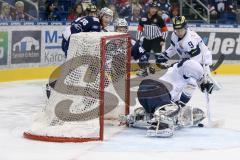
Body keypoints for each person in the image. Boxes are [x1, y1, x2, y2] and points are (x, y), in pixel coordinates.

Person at [128, 16, 216, 137]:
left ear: (186, 27)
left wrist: (203, 78)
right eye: (176, 29)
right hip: (159, 90)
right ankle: (165, 115)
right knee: (183, 90)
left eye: (181, 29)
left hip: (144, 92)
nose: (178, 32)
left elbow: (194, 64)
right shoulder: (176, 37)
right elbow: (177, 51)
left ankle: (149, 113)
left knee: (188, 82)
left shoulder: (191, 41)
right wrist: (166, 55)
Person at [46, 7, 113, 99]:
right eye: (106, 17)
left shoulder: (95, 22)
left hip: (71, 40)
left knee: (76, 69)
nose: (108, 20)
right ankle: (53, 86)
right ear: (101, 15)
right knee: (75, 69)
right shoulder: (96, 23)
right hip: (71, 41)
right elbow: (91, 43)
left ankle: (59, 87)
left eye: (110, 18)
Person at [136, 2, 168, 77]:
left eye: (155, 8)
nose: (154, 10)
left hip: (156, 39)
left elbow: (165, 30)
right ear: (149, 8)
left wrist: (163, 40)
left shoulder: (159, 18)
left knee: (158, 58)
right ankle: (144, 71)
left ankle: (162, 72)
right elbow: (139, 29)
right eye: (152, 8)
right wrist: (138, 40)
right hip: (147, 39)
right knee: (143, 56)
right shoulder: (143, 17)